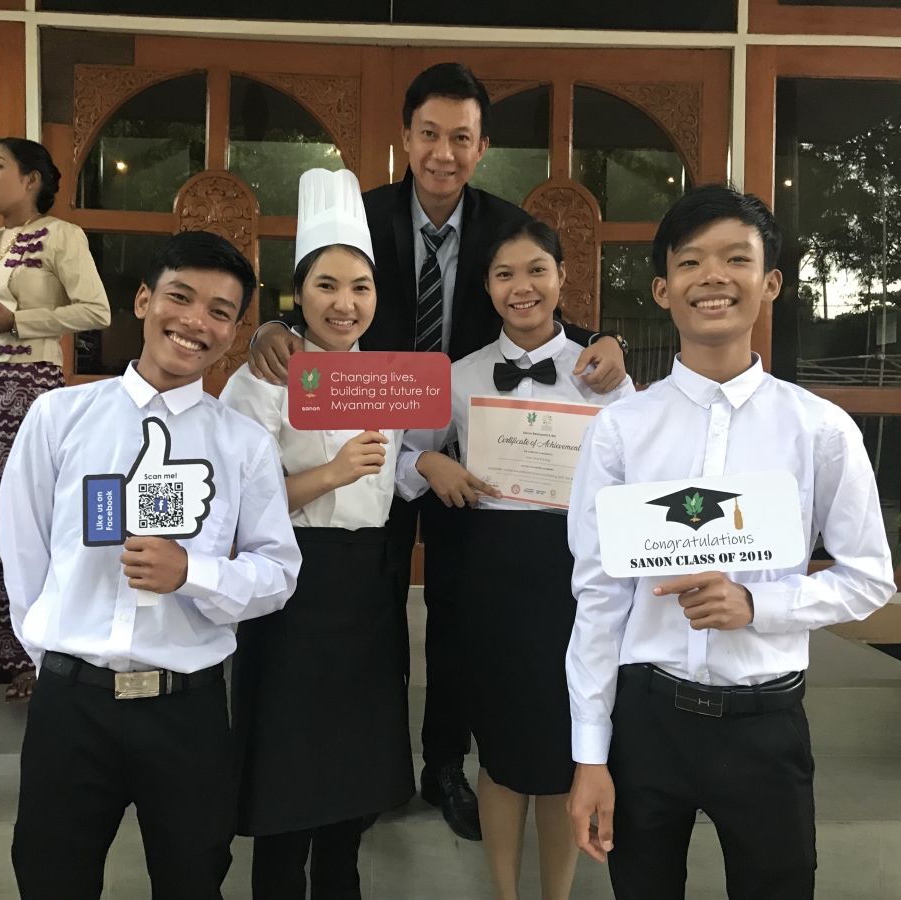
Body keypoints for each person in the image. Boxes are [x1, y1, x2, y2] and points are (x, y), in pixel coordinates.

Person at [248, 62, 628, 841]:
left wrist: (602, 341)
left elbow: (539, 307)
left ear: (482, 145)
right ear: (406, 137)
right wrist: (267, 328)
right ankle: (370, 763)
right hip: (371, 443)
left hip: (472, 457)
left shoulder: (503, 225)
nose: (443, 152)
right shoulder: (366, 216)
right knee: (374, 606)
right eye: (429, 135)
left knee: (458, 616)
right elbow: (318, 296)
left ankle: (445, 763)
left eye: (461, 137)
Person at [565, 185, 896, 900]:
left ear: (770, 282)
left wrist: (760, 605)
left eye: (736, 259)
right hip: (646, 722)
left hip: (764, 726)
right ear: (663, 288)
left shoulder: (819, 430)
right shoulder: (620, 431)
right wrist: (590, 755)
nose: (713, 277)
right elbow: (597, 597)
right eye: (691, 262)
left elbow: (869, 577)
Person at [0, 230, 301, 899]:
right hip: (72, 706)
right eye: (181, 297)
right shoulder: (59, 417)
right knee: (51, 877)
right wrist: (57, 656)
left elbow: (278, 572)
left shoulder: (243, 445)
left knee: (192, 879)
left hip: (185, 712)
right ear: (143, 300)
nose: (196, 321)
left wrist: (193, 573)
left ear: (233, 331)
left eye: (220, 312)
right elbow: (23, 552)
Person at [397, 219, 632, 900]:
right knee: (499, 752)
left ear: (562, 279)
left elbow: (647, 473)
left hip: (576, 576)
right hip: (490, 577)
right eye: (504, 275)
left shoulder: (605, 375)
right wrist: (432, 460)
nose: (521, 287)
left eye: (536, 271)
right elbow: (401, 456)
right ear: (487, 288)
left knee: (564, 752)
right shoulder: (459, 373)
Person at [221, 168, 414, 900]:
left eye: (360, 286)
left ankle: (342, 883)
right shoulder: (263, 379)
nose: (346, 303)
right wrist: (330, 474)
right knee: (287, 764)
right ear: (298, 293)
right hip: (289, 586)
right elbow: (242, 508)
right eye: (327, 285)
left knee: (351, 767)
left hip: (367, 586)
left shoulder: (390, 377)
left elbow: (407, 467)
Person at [0, 137, 110, 702]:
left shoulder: (63, 236)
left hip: (33, 389)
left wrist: (21, 320)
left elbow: (96, 311)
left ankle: (34, 651)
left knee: (31, 518)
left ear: (31, 179)